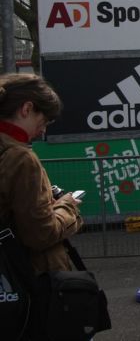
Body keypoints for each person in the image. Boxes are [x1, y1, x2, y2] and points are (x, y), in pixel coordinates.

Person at [0, 74, 82, 276]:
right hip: (29, 275)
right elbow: (41, 234)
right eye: (43, 120)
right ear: (27, 109)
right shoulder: (20, 158)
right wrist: (67, 206)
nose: (43, 130)